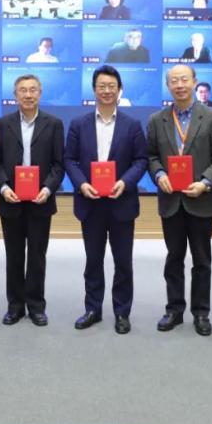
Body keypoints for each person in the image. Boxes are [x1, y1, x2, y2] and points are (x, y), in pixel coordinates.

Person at [64, 65, 148, 335]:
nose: (107, 90)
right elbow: (69, 159)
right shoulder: (79, 124)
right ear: (94, 90)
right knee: (93, 260)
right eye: (102, 86)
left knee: (123, 262)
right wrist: (82, 184)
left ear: (120, 90)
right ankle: (93, 309)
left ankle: (122, 312)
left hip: (121, 202)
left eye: (112, 86)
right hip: (90, 203)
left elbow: (141, 160)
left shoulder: (132, 125)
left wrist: (125, 182)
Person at [147, 64, 212, 336]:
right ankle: (174, 309)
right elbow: (151, 156)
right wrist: (159, 174)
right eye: (174, 81)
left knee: (201, 260)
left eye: (184, 79)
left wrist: (205, 182)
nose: (179, 85)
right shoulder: (157, 119)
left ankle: (201, 313)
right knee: (174, 258)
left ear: (195, 82)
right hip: (171, 200)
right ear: (168, 86)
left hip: (201, 201)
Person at [0, 74, 65, 326]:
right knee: (13, 256)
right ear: (15, 95)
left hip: (41, 201)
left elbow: (58, 164)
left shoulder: (54, 124)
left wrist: (48, 188)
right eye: (23, 90)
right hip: (10, 200)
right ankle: (15, 306)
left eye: (33, 90)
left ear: (40, 94)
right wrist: (3, 187)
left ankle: (36, 306)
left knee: (37, 257)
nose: (28, 95)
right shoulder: (2, 124)